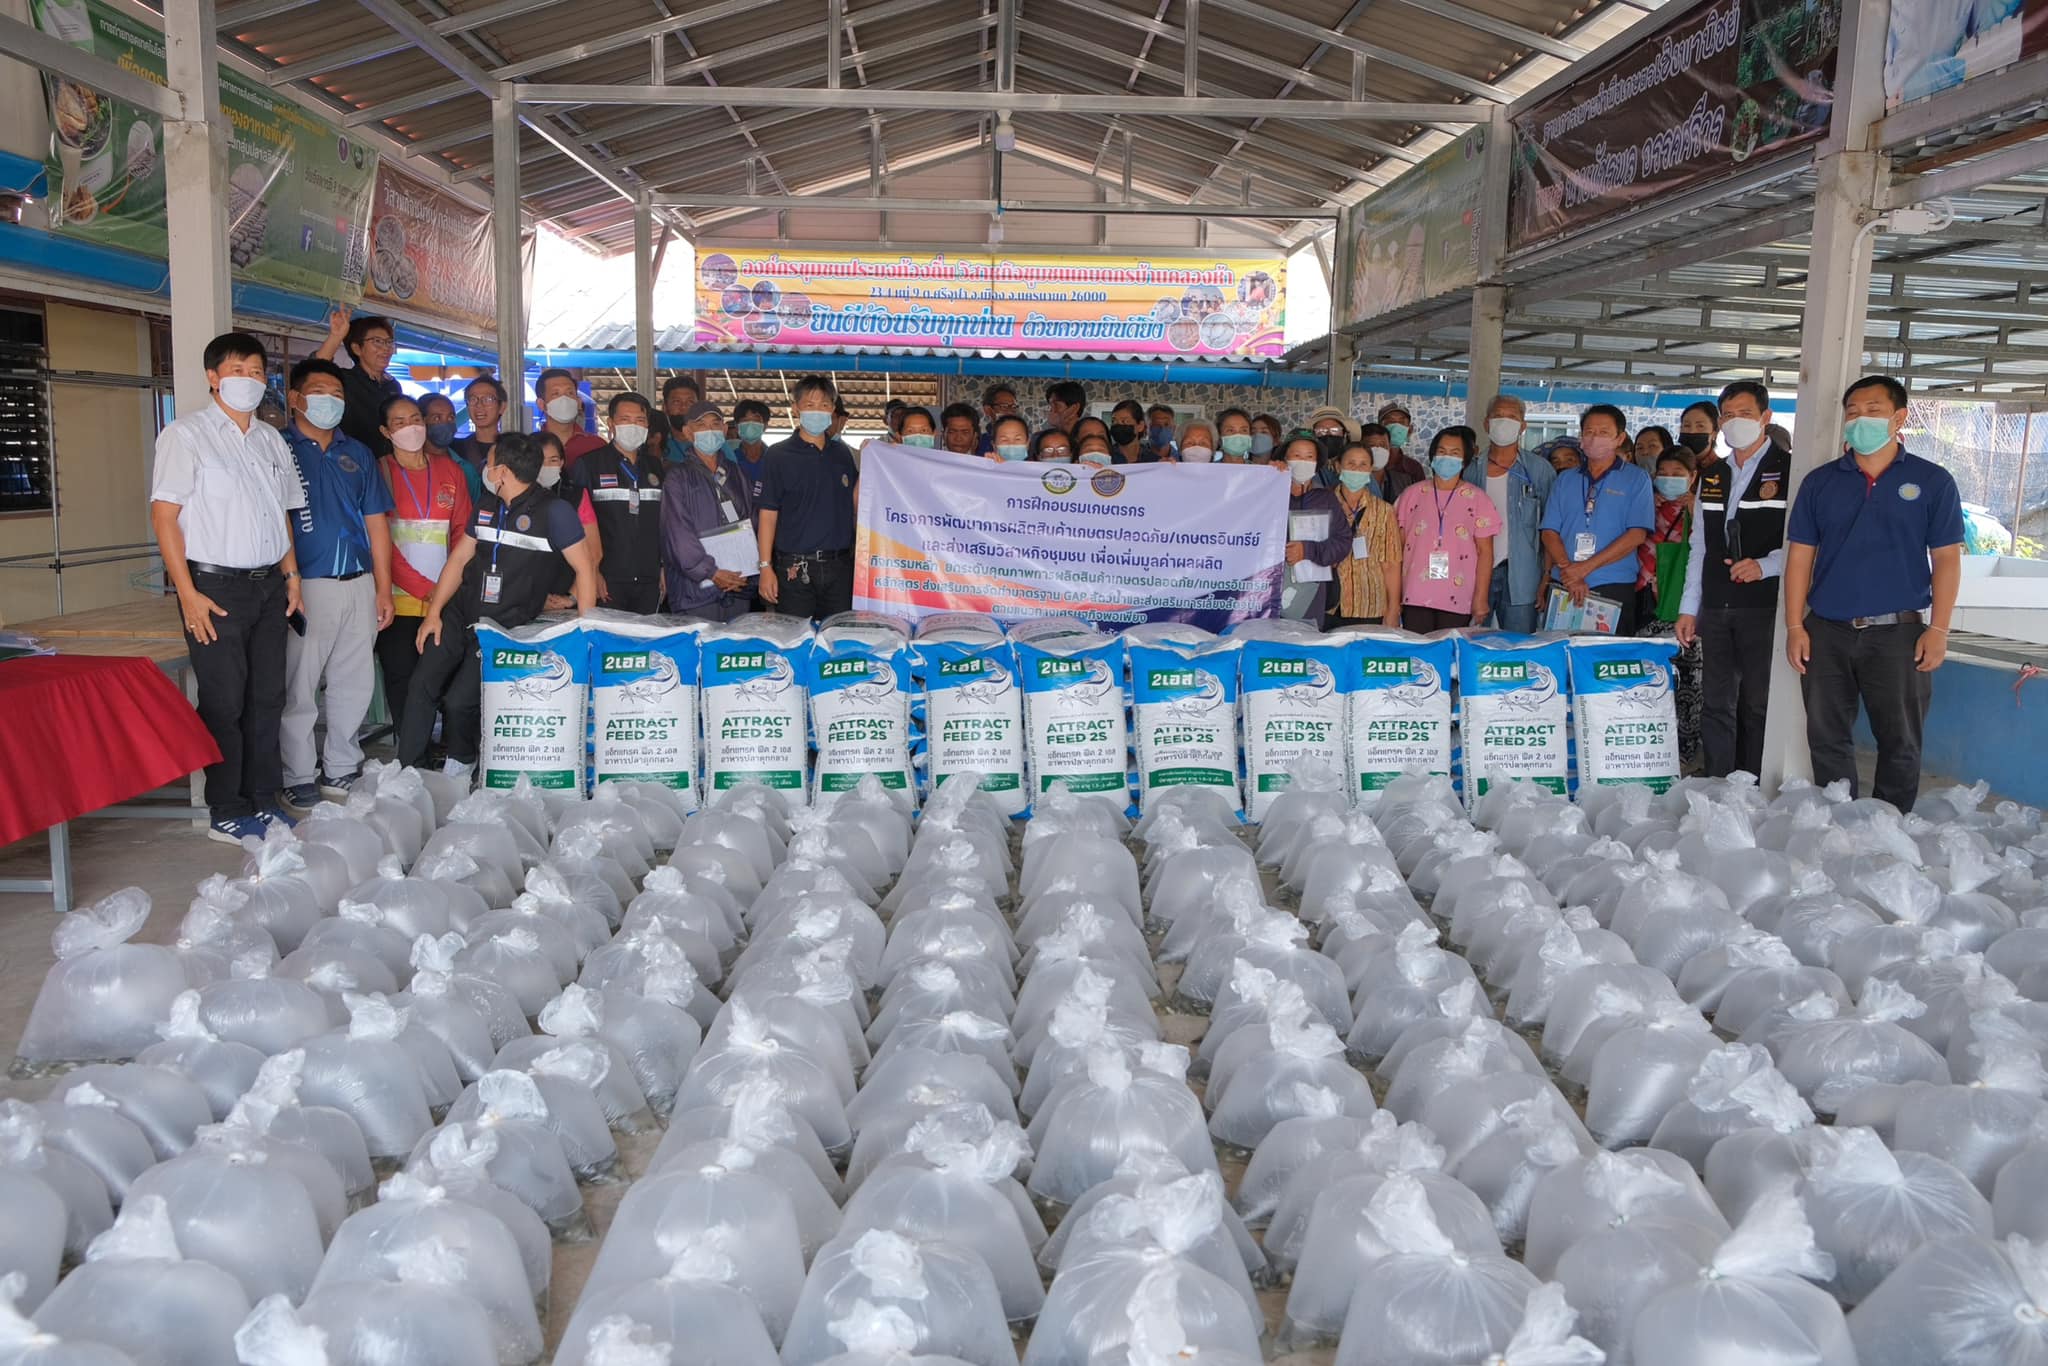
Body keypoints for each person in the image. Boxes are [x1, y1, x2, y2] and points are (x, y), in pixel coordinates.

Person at [149, 331, 307, 842]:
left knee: (268, 697)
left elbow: (281, 515)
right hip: (214, 588)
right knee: (224, 700)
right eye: (238, 370)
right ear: (213, 378)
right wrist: (187, 594)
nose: (249, 380)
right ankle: (226, 807)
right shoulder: (186, 435)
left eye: (257, 372)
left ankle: (263, 798)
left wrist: (291, 576)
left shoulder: (271, 440)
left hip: (270, 586)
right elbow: (165, 518)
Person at [1785, 375, 1964, 811]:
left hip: (1899, 633)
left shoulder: (1932, 481)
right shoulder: (1821, 482)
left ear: (1899, 418)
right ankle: (1839, 821)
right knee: (1826, 736)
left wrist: (1939, 629)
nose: (1860, 419)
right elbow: (1800, 558)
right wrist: (1794, 626)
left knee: (1900, 739)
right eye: (1853, 412)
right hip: (1827, 630)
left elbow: (1946, 559)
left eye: (1872, 410)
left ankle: (1889, 826)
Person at [399, 433, 597, 777]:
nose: (486, 470)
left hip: (502, 625)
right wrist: (434, 613)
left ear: (502, 471)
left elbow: (585, 568)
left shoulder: (555, 511)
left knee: (460, 701)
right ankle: (408, 770)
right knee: (422, 684)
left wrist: (585, 630)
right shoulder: (487, 505)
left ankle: (462, 761)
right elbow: (460, 558)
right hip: (460, 611)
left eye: (489, 463)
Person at [275, 358, 395, 810]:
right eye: (319, 392)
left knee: (354, 679)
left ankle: (342, 765)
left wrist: (383, 588)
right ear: (295, 399)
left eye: (338, 394)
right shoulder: (278, 448)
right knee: (300, 684)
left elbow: (377, 522)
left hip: (358, 582)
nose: (330, 401)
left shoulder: (357, 453)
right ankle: (297, 773)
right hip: (305, 584)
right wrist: (290, 580)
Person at [1676, 380, 1791, 779]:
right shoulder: (1712, 475)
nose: (1735, 422)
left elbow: (1807, 543)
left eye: (1745, 413)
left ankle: (1754, 781)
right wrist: (1689, 608)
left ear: (1765, 417)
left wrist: (1766, 565)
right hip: (1716, 603)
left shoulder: (1790, 470)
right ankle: (1719, 781)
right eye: (1728, 415)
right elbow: (1699, 546)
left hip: (1764, 603)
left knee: (1757, 702)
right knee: (1716, 701)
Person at [378, 392, 472, 748]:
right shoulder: (380, 472)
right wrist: (425, 589)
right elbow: (380, 543)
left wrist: (445, 588)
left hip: (446, 598)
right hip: (398, 601)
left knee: (444, 676)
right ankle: (411, 751)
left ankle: (447, 748)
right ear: (386, 431)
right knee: (402, 677)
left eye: (416, 419)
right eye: (399, 422)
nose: (411, 427)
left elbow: (463, 533)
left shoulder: (450, 471)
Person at [1541, 405, 1655, 635]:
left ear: (1619, 438)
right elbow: (1549, 531)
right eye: (1589, 432)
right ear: (1581, 437)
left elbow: (1636, 534)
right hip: (1565, 582)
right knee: (1562, 651)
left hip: (1613, 584)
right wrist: (1569, 571)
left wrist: (1584, 568)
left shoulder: (1636, 478)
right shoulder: (1565, 479)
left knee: (1608, 654)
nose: (1595, 438)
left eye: (1604, 432)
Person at [758, 374, 860, 620]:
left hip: (840, 568)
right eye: (810, 405)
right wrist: (765, 567)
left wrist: (875, 463)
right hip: (795, 569)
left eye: (824, 405)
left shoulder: (842, 454)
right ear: (795, 408)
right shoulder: (778, 455)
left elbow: (856, 502)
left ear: (833, 410)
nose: (817, 411)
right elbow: (768, 514)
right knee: (796, 637)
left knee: (837, 636)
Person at [566, 391, 664, 613]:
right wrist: (592, 571)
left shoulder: (655, 467)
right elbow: (577, 526)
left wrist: (663, 567)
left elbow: (663, 522)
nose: (633, 426)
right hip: (607, 579)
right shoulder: (589, 465)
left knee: (646, 634)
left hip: (649, 579)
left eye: (640, 420)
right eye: (625, 419)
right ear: (611, 423)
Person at [1469, 394, 1557, 634]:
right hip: (1475, 574)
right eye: (1498, 416)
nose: (1504, 422)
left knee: (1520, 646)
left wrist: (1546, 577)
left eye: (1512, 417)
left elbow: (1550, 529)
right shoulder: (1471, 470)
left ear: (1523, 426)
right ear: (1486, 423)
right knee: (1473, 643)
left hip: (1524, 576)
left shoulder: (1539, 470)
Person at [662, 399, 756, 623]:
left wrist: (749, 569)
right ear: (688, 432)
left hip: (737, 585)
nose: (710, 430)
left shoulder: (737, 473)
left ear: (724, 430)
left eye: (715, 424)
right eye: (701, 425)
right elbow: (678, 535)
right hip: (696, 592)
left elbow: (753, 521)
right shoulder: (677, 477)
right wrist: (711, 572)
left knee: (734, 644)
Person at [1639, 445, 1703, 771]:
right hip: (1647, 601)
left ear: (1693, 477)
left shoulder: (1700, 511)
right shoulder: (1646, 507)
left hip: (1682, 609)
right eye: (1663, 473)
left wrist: (1698, 510)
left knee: (1687, 682)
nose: (1669, 479)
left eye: (1678, 474)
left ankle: (1685, 753)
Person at [1395, 426, 1497, 633]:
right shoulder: (1411, 494)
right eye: (1441, 451)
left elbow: (1485, 552)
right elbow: (1396, 548)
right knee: (1419, 649)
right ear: (1432, 456)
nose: (1447, 457)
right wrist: (1393, 598)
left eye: (1454, 453)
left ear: (1465, 460)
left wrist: (1481, 597)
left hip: (1458, 596)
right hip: (1415, 593)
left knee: (1451, 650)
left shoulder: (1478, 499)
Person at [1271, 433, 1348, 623]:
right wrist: (1267, 477)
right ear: (1284, 459)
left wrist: (1308, 550)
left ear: (1316, 463)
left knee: (1305, 639)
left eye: (1309, 457)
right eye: (1296, 456)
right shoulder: (1269, 491)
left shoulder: (1325, 498)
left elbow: (1343, 541)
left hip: (1310, 592)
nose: (1303, 462)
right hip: (1268, 586)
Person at [1330, 440, 1403, 629]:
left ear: (1370, 469)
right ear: (1338, 466)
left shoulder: (1384, 511)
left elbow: (1391, 564)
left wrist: (1393, 609)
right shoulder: (1324, 504)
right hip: (1330, 604)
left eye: (1363, 464)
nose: (1357, 469)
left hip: (1370, 605)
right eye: (1351, 463)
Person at [536, 430, 599, 612]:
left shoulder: (576, 496)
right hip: (527, 600)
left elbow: (594, 553)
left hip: (567, 596)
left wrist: (571, 597)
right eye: (540, 460)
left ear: (562, 462)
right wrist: (533, 599)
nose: (546, 466)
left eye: (553, 460)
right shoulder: (515, 497)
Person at [450, 376, 503, 504]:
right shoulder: (454, 450)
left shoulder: (514, 449)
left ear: (502, 406)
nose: (479, 405)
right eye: (473, 399)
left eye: (488, 399)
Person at [537, 368, 603, 467]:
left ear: (578, 402)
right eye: (556, 394)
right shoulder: (531, 447)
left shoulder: (597, 446)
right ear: (541, 404)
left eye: (570, 393)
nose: (564, 399)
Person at [1376, 402, 1429, 501]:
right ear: (1380, 427)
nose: (1396, 426)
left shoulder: (1413, 468)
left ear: (1409, 430)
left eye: (1401, 422)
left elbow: (1420, 501)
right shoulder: (1367, 462)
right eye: (1390, 421)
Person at [731, 398, 773, 498]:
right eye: (745, 420)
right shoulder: (730, 459)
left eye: (756, 420)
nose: (750, 425)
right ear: (737, 426)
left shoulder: (775, 460)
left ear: (765, 425)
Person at [1307, 406, 1357, 485]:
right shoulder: (1306, 466)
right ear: (1313, 435)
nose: (1328, 434)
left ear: (1344, 435)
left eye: (1335, 430)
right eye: (1321, 430)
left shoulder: (1358, 466)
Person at [975, 384, 1018, 455]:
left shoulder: (1023, 444)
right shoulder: (979, 444)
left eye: (1013, 407)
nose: (1010, 411)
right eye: (1004, 406)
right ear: (988, 410)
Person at [1677, 401, 1720, 469]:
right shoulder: (1669, 465)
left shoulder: (1724, 469)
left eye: (1700, 426)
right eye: (1687, 425)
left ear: (1715, 433)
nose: (1691, 431)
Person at [1109, 399, 1147, 463]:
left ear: (1140, 426)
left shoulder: (1154, 460)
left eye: (1124, 421)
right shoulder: (1106, 457)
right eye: (1114, 421)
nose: (1118, 425)